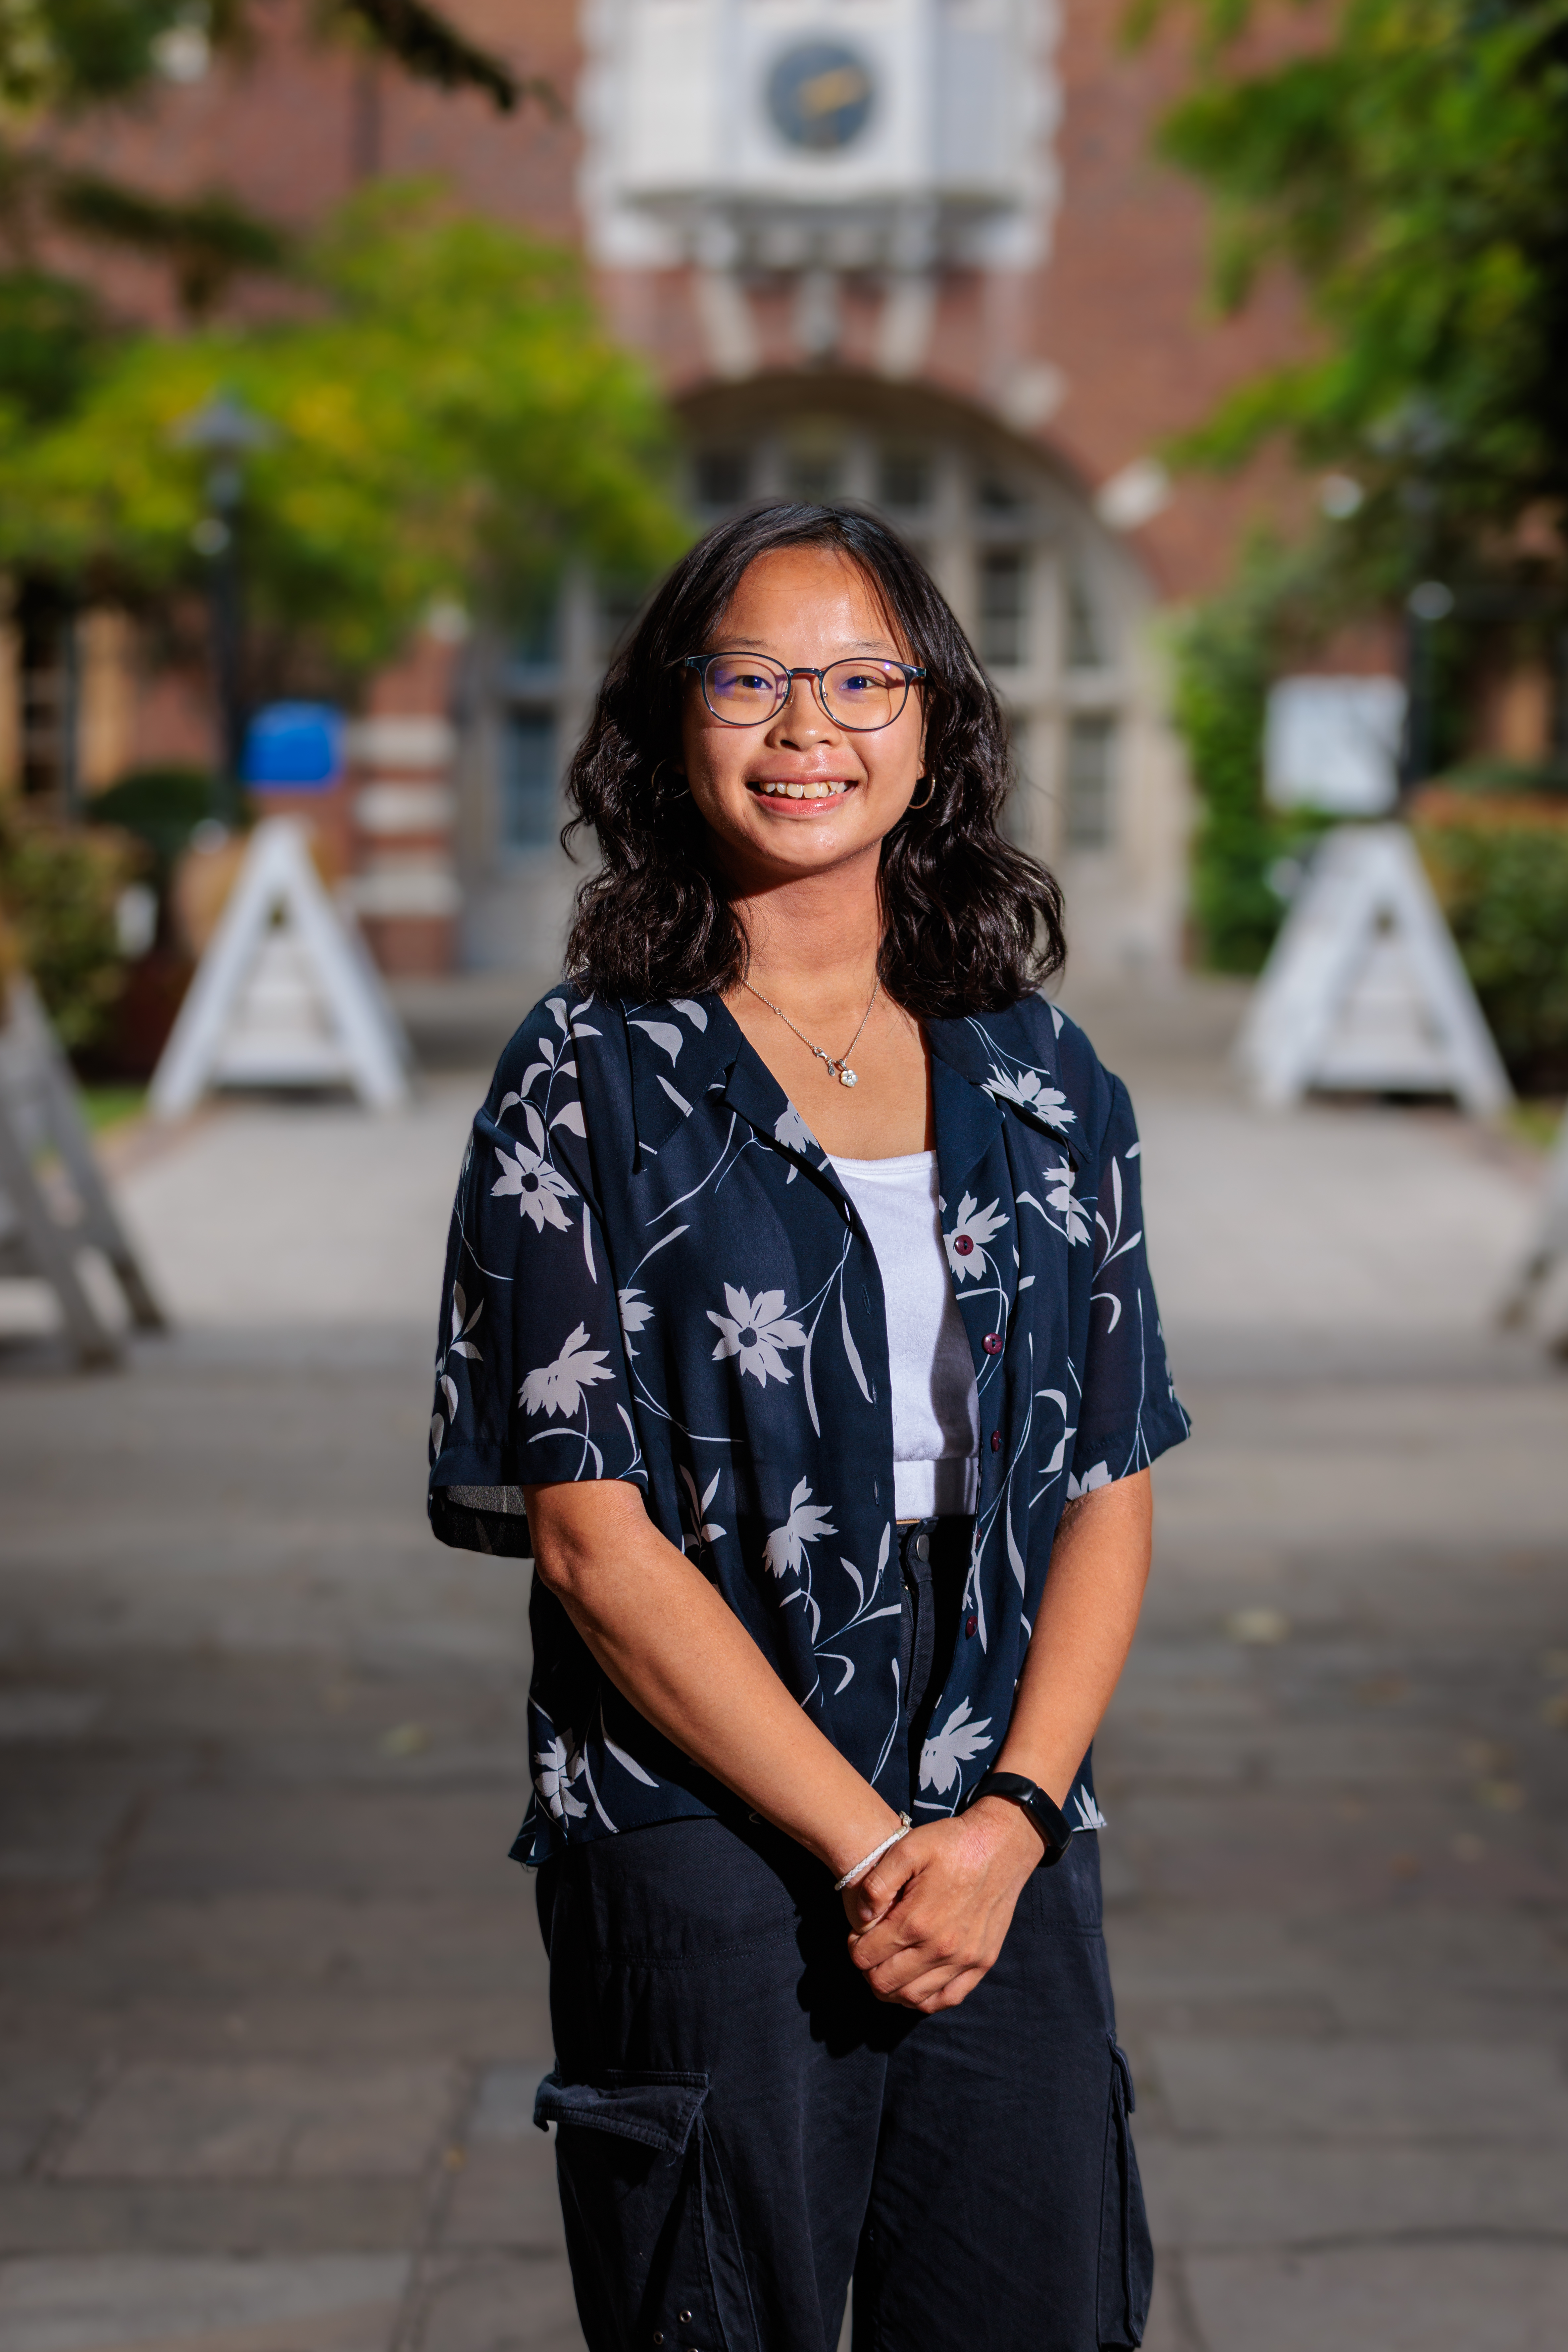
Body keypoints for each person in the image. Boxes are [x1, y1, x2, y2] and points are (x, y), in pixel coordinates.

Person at [428, 503, 1189, 2352]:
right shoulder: (584, 1076)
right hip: (698, 1795)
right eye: (751, 679)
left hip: (1005, 1808)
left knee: (1036, 2302)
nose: (805, 731)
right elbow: (592, 1540)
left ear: (935, 726)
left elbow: (1109, 1481)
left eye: (861, 682)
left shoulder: (1044, 1072)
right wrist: (868, 1848)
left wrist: (1007, 1822)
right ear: (671, 721)